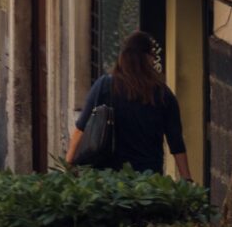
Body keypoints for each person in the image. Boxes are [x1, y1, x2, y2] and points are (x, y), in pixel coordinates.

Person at [67, 30, 190, 177]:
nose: (154, 60)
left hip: (108, 178)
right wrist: (187, 179)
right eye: (153, 56)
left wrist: (69, 166)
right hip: (148, 181)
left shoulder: (105, 86)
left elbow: (80, 129)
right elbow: (176, 143)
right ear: (146, 58)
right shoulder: (163, 95)